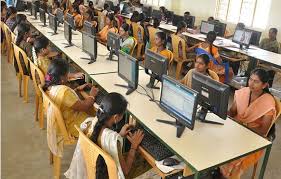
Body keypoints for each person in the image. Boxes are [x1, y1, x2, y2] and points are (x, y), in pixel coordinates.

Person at [65, 92, 151, 179]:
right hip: (109, 175)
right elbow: (125, 171)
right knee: (146, 160)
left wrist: (119, 135)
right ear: (116, 117)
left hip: (91, 169)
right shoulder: (112, 138)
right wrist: (134, 146)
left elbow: (101, 139)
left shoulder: (89, 122)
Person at [220, 68, 277, 179]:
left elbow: (263, 131)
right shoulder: (244, 92)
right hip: (236, 129)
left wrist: (242, 126)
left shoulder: (268, 102)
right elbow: (232, 112)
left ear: (264, 85)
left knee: (231, 157)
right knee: (216, 141)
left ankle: (225, 176)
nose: (251, 83)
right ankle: (215, 172)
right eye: (250, 79)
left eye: (256, 81)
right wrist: (220, 109)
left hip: (254, 137)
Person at [43, 59, 98, 138]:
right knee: (102, 122)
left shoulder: (50, 86)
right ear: (62, 78)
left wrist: (76, 89)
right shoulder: (64, 92)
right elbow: (85, 106)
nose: (68, 75)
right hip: (74, 125)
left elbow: (65, 100)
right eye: (67, 73)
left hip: (65, 119)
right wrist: (92, 95)